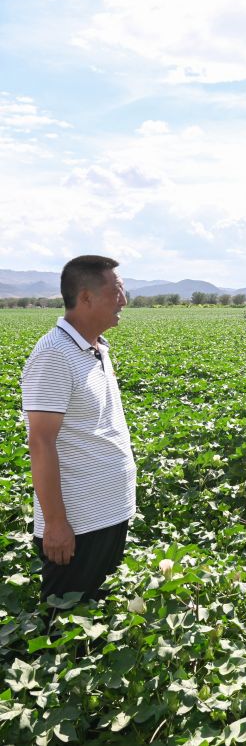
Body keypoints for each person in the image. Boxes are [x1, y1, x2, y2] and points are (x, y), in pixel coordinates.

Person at [22, 255, 136, 603]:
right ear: (85, 297)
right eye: (116, 290)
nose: (124, 300)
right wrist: (56, 524)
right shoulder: (54, 354)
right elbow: (40, 443)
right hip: (79, 524)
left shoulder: (97, 349)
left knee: (95, 619)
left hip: (109, 513)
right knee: (64, 631)